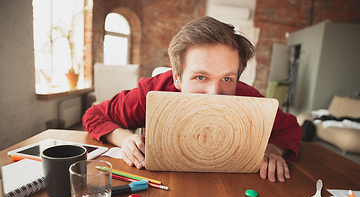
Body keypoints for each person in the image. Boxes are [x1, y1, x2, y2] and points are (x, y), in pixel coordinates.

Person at [83, 16, 302, 183]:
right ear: (177, 78)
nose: (214, 93)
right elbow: (93, 115)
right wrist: (123, 138)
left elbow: (290, 127)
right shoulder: (150, 93)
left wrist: (273, 150)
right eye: (200, 77)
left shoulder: (247, 98)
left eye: (227, 78)